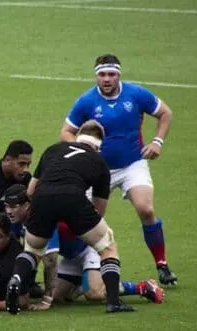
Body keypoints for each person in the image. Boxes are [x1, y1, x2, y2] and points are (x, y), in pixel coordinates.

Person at [59, 54, 176, 286]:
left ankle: (162, 264)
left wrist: (157, 142)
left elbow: (165, 113)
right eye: (102, 74)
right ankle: (78, 266)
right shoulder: (86, 101)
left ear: (119, 75)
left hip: (132, 164)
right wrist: (84, 152)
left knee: (146, 208)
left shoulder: (136, 94)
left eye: (111, 74)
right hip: (97, 170)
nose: (107, 79)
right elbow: (66, 132)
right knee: (86, 219)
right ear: (96, 76)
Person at [6, 120, 135, 314]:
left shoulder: (53, 150)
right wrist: (77, 221)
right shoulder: (100, 162)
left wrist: (48, 212)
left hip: (42, 197)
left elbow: (31, 191)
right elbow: (99, 209)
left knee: (32, 249)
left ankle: (16, 279)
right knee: (107, 247)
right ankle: (113, 302)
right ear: (99, 145)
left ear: (77, 136)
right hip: (74, 197)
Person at [3, 184, 164, 309]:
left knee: (94, 294)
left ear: (27, 205)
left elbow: (50, 261)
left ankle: (142, 287)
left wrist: (45, 300)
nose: (9, 211)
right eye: (6, 206)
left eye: (14, 206)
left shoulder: (42, 219)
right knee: (59, 297)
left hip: (90, 249)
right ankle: (85, 282)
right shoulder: (17, 222)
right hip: (72, 257)